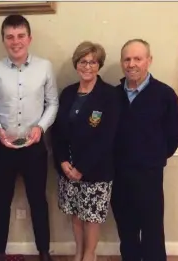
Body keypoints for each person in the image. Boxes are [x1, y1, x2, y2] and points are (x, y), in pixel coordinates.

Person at [0, 14, 59, 261]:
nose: (16, 42)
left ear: (29, 38)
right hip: (3, 148)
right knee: (1, 201)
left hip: (34, 148)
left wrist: (41, 128)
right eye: (10, 37)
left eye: (20, 36)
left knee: (38, 201)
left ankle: (44, 252)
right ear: (3, 40)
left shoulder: (44, 66)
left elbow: (53, 103)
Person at [111, 39, 178, 261]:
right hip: (118, 175)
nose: (132, 64)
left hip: (149, 176)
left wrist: (152, 158)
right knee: (126, 231)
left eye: (138, 58)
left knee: (152, 232)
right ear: (122, 62)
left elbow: (173, 137)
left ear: (149, 61)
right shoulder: (112, 96)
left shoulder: (165, 95)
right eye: (127, 59)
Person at [51, 41, 120, 261]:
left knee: (91, 217)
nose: (87, 66)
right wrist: (62, 161)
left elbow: (107, 137)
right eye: (83, 61)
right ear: (76, 64)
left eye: (92, 62)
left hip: (96, 170)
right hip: (68, 169)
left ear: (99, 65)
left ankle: (90, 255)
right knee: (76, 215)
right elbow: (58, 131)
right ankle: (78, 252)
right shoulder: (68, 93)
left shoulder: (109, 95)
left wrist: (82, 168)